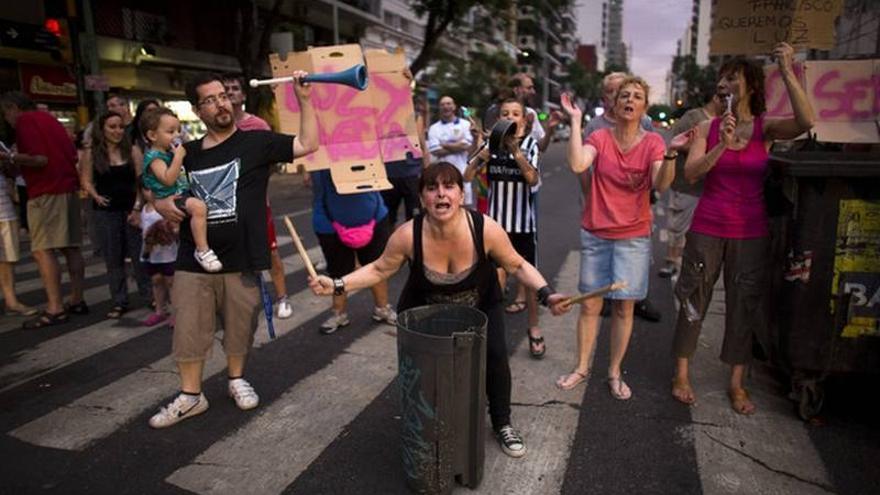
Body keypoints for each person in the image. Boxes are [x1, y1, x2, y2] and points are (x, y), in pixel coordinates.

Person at [308, 162, 571, 458]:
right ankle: (425, 424)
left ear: (461, 194)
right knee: (424, 373)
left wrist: (547, 295)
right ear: (422, 198)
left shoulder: (485, 229)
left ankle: (502, 422)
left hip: (481, 304)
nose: (440, 195)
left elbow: (518, 265)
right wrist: (337, 284)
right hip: (425, 310)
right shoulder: (408, 235)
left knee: (496, 358)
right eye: (432, 188)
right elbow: (380, 268)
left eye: (449, 187)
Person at [146, 71, 318, 428]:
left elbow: (307, 144)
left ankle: (236, 378)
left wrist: (303, 99)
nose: (220, 103)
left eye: (222, 95)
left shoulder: (257, 142)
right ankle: (191, 396)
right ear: (197, 110)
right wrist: (160, 205)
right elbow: (153, 184)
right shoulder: (186, 154)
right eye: (209, 100)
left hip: (243, 259)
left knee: (241, 327)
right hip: (194, 260)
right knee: (189, 328)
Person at [671, 43, 815, 415]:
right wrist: (721, 145)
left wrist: (786, 72)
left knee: (744, 304)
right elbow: (691, 172)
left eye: (732, 79)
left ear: (750, 85)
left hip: (750, 232)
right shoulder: (708, 127)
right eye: (722, 81)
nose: (724, 85)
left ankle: (736, 381)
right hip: (707, 227)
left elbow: (806, 121)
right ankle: (682, 372)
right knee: (693, 297)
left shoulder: (764, 128)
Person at [559, 77, 677, 396]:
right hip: (596, 233)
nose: (629, 99)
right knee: (590, 306)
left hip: (633, 237)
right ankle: (582, 367)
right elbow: (577, 162)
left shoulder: (653, 143)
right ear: (613, 103)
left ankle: (613, 371)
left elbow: (661, 184)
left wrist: (670, 158)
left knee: (625, 308)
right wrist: (574, 121)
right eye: (624, 95)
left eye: (637, 96)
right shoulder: (598, 136)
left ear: (644, 107)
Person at [464, 97, 546, 359]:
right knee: (493, 283)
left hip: (523, 227)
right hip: (495, 227)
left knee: (529, 283)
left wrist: (516, 152)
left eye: (515, 113)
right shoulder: (491, 144)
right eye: (505, 113)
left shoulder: (531, 144)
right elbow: (466, 176)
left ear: (524, 120)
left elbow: (532, 178)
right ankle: (490, 334)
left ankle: (534, 329)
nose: (510, 117)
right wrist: (483, 157)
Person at [0, 91, 87, 328]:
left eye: (6, 113)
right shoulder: (49, 119)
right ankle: (77, 298)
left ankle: (55, 307)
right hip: (67, 187)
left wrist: (11, 157)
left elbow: (40, 160)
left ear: (12, 108)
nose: (7, 119)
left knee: (42, 250)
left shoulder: (26, 122)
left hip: (46, 191)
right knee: (70, 247)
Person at [581, 72, 662, 323]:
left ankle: (637, 299)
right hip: (602, 206)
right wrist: (590, 197)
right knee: (599, 276)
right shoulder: (595, 128)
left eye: (634, 95)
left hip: (635, 210)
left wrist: (650, 194)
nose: (626, 98)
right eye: (617, 92)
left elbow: (650, 159)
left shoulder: (645, 124)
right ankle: (607, 297)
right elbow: (583, 167)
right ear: (608, 98)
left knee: (633, 270)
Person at [222, 74, 292, 319]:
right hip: (227, 208)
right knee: (237, 255)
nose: (230, 92)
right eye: (225, 89)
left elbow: (272, 160)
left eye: (234, 88)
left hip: (258, 205)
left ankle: (282, 298)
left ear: (242, 95)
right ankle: (243, 301)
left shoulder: (258, 126)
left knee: (271, 253)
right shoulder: (216, 128)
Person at [79, 111, 152, 318]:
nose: (118, 131)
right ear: (102, 129)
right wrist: (95, 196)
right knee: (114, 257)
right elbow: (85, 179)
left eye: (120, 126)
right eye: (112, 127)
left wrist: (138, 207)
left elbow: (141, 180)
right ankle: (119, 300)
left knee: (140, 256)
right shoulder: (93, 153)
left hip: (132, 209)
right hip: (106, 211)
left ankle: (149, 296)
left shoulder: (133, 150)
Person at [310, 168, 397, 334]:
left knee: (376, 266)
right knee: (338, 271)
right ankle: (339, 313)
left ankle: (382, 308)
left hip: (374, 216)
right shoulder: (317, 151)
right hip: (329, 223)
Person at [140, 107, 222, 273]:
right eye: (170, 131)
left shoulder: (167, 152)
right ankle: (202, 250)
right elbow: (168, 179)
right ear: (152, 135)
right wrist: (178, 156)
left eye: (178, 130)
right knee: (199, 208)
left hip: (178, 194)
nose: (176, 135)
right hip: (171, 197)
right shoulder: (155, 158)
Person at [658, 94, 724, 278]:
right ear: (716, 98)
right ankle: (672, 261)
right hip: (686, 184)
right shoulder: (694, 117)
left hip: (711, 186)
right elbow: (677, 142)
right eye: (725, 99)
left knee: (698, 230)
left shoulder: (725, 120)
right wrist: (703, 148)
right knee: (678, 224)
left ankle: (689, 263)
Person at [381, 94, 429, 225]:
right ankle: (393, 243)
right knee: (390, 216)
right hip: (391, 173)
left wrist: (427, 170)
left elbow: (421, 143)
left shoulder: (415, 117)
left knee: (413, 216)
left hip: (410, 173)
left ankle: (413, 242)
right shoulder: (383, 118)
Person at [0, 155, 36, 316]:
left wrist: (8, 159)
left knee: (7, 259)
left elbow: (15, 171)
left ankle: (11, 301)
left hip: (4, 210)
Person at [139, 179, 178, 327]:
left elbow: (175, 228)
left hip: (168, 253)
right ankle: (159, 311)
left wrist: (168, 232)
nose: (152, 193)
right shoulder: (144, 209)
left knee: (171, 282)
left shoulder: (167, 208)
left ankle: (175, 312)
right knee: (156, 280)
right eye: (148, 189)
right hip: (151, 253)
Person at [427, 96, 473, 205]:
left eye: (448, 104)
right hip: (442, 178)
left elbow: (468, 145)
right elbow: (435, 151)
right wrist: (458, 145)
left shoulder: (465, 124)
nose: (446, 107)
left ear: (454, 106)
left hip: (463, 174)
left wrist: (444, 144)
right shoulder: (434, 128)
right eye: (442, 104)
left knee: (466, 209)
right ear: (439, 108)